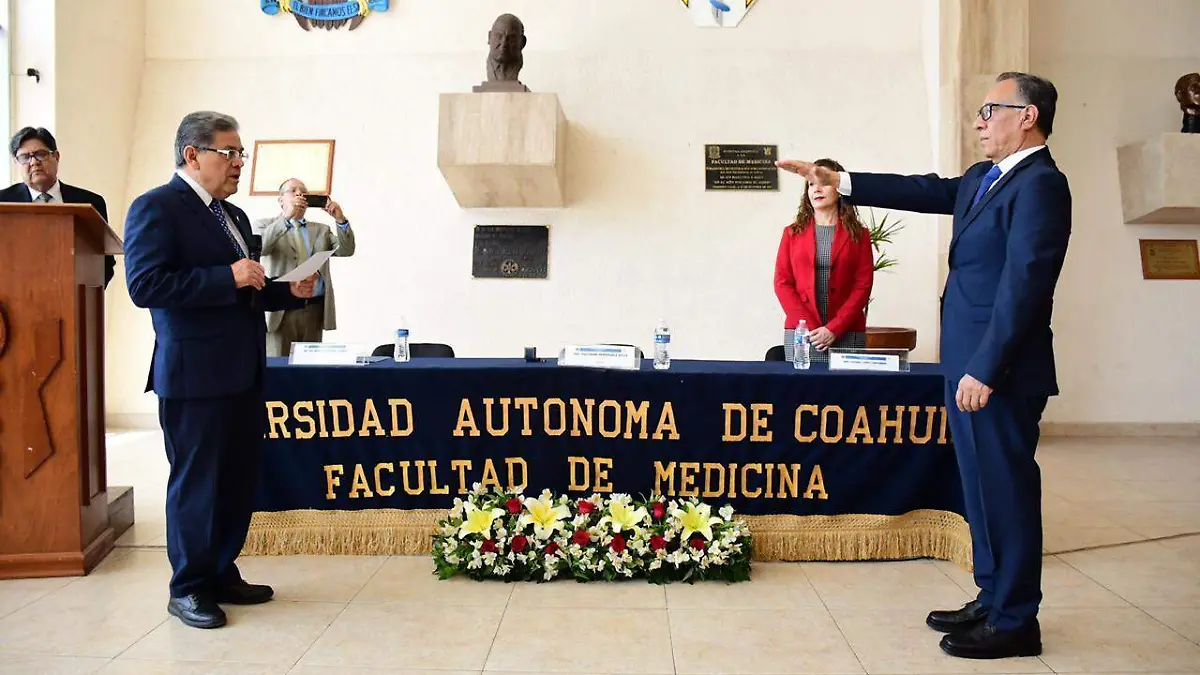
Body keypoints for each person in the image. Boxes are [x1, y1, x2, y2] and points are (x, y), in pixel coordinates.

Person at [777, 71, 1071, 660]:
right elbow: (924, 190)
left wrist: (986, 368)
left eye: (991, 109)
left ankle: (1016, 619)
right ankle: (991, 596)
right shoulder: (984, 180)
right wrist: (844, 181)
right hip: (966, 364)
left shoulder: (1041, 186)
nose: (979, 120)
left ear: (1028, 116)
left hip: (999, 373)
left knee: (1007, 491)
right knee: (980, 491)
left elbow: (1024, 288)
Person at [123, 111, 317, 630]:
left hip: (243, 371)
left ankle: (220, 569)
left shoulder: (232, 216)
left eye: (240, 154)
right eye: (229, 153)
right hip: (194, 377)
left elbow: (243, 290)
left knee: (235, 479)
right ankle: (186, 586)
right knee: (197, 482)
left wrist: (286, 292)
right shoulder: (156, 208)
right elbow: (145, 286)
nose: (238, 164)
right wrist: (225, 275)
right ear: (193, 155)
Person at [773, 157, 874, 362]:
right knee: (803, 393)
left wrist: (833, 329)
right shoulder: (792, 234)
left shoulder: (859, 235)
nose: (816, 190)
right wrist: (811, 328)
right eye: (811, 185)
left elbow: (862, 286)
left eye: (823, 183)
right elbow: (782, 283)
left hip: (847, 332)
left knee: (846, 393)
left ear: (839, 188)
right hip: (803, 334)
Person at [253, 178, 357, 357]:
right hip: (281, 311)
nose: (300, 194)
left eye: (303, 191)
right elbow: (261, 248)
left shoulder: (321, 230)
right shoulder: (264, 225)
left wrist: (340, 220)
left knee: (309, 367)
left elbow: (346, 250)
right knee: (279, 368)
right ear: (281, 200)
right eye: (293, 190)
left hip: (313, 310)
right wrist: (287, 217)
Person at [1, 127, 115, 288]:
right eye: (25, 157)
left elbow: (104, 263)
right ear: (16, 163)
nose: (33, 162)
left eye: (41, 154)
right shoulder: (3, 203)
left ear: (56, 156)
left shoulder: (89, 202)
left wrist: (84, 295)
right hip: (15, 302)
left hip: (74, 302)